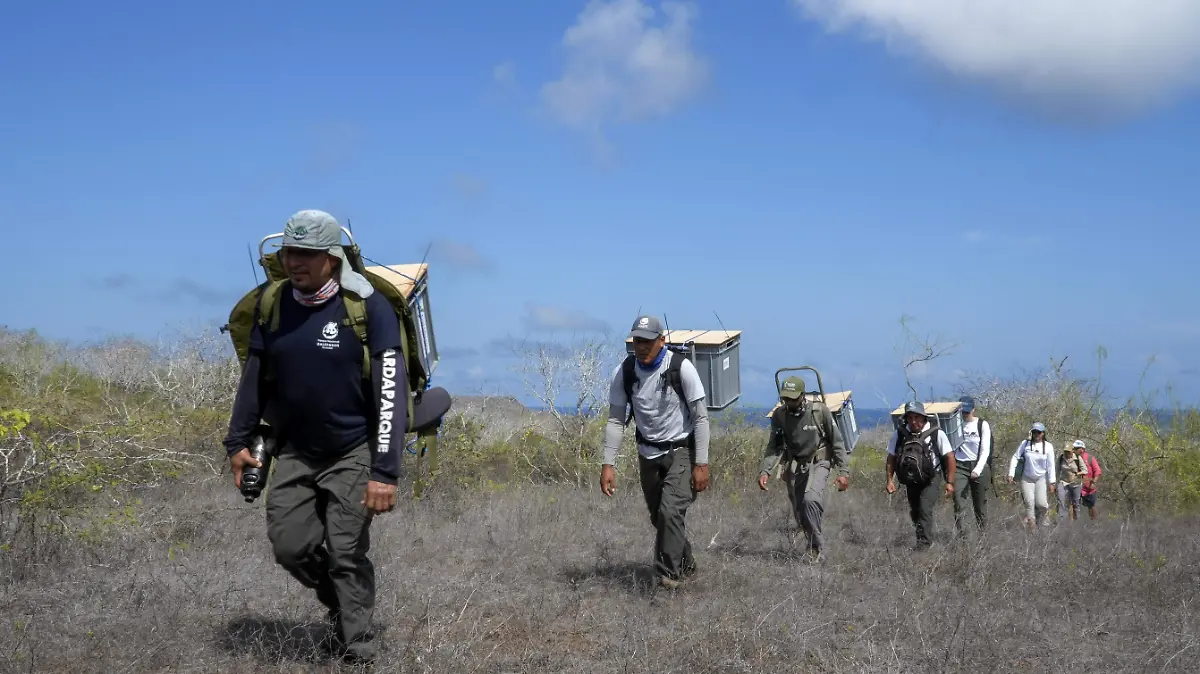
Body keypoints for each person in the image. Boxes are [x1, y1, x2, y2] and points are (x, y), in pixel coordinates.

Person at [222, 209, 407, 664]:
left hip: (353, 449)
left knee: (345, 551)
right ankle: (342, 607)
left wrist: (384, 472)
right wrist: (237, 442)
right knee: (290, 547)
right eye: (289, 252)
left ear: (332, 258)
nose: (294, 262)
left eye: (306, 254)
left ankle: (357, 647)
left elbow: (390, 393)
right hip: (296, 449)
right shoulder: (273, 304)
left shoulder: (368, 308)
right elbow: (255, 377)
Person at [600, 315, 711, 589]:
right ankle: (686, 563)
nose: (642, 347)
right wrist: (608, 464)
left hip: (681, 450)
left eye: (647, 341)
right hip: (647, 452)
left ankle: (667, 578)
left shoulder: (681, 369)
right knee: (658, 518)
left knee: (670, 512)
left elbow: (701, 418)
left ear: (661, 341)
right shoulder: (624, 372)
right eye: (637, 340)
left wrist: (701, 463)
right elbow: (616, 419)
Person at [757, 376, 850, 561]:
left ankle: (818, 547)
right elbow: (774, 446)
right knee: (800, 510)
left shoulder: (819, 411)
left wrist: (843, 472)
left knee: (810, 499)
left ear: (802, 395)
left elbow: (837, 442)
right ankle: (812, 545)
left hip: (819, 462)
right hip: (796, 465)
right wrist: (765, 470)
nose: (789, 402)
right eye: (786, 398)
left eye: (792, 398)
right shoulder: (780, 416)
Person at [886, 402, 956, 548]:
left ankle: (924, 546)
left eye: (917, 417)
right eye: (910, 418)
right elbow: (891, 457)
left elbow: (949, 457)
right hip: (911, 478)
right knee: (915, 511)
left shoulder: (937, 433)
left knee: (925, 508)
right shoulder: (900, 434)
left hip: (932, 477)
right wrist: (890, 480)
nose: (913, 421)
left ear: (924, 417)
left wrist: (949, 482)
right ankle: (922, 537)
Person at [952, 395, 992, 535]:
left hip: (978, 465)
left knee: (980, 505)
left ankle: (983, 535)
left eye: (967, 411)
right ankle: (963, 538)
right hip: (959, 466)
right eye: (962, 411)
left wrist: (978, 469)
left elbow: (985, 450)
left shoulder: (982, 425)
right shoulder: (954, 425)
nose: (964, 414)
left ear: (973, 410)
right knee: (959, 502)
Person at [1007, 422, 1056, 529]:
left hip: (1041, 478)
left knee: (1042, 504)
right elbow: (1015, 457)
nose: (1036, 434)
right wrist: (1011, 473)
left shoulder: (1048, 447)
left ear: (1043, 433)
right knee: (1029, 503)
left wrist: (1052, 482)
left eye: (1039, 432)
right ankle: (1033, 529)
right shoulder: (1025, 444)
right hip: (1027, 478)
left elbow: (1051, 466)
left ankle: (1045, 523)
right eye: (1034, 432)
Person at [1056, 440, 1090, 521]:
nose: (1067, 453)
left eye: (1068, 451)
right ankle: (1062, 521)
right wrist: (1054, 483)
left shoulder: (1077, 458)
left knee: (1076, 503)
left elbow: (1085, 470)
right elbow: (1057, 471)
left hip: (1076, 483)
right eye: (1065, 451)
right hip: (1064, 482)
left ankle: (1077, 522)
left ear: (1072, 450)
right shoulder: (1061, 458)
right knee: (1061, 501)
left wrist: (1078, 473)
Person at [1078, 440, 1102, 520]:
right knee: (1073, 504)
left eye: (1077, 448)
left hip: (1089, 487)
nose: (1074, 450)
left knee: (1091, 505)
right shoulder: (1073, 458)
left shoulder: (1090, 458)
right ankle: (1072, 524)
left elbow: (1097, 470)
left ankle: (1094, 522)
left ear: (1082, 449)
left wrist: (1094, 482)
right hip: (1077, 486)